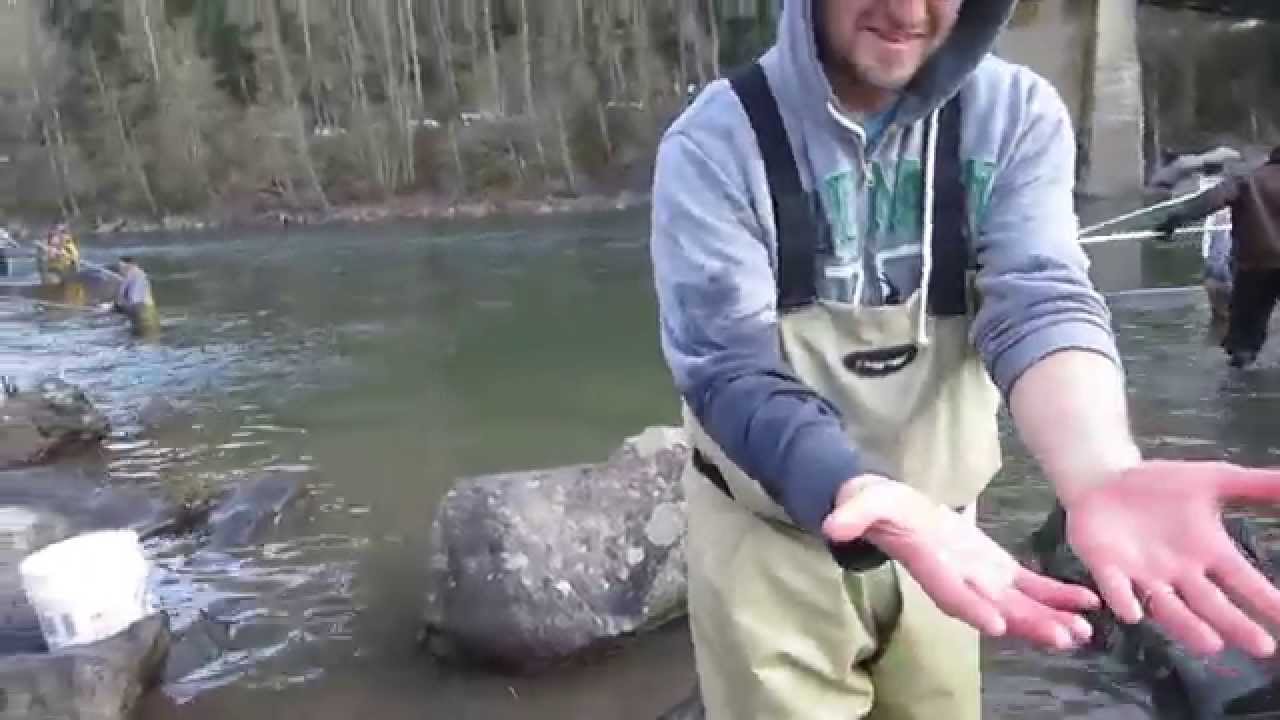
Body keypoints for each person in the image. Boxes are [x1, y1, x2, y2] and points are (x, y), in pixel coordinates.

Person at [648, 2, 1280, 719]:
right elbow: (728, 369)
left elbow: (1038, 304)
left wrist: (1099, 472)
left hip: (952, 542)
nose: (908, 9)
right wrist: (850, 486)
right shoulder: (712, 142)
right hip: (767, 543)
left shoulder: (1015, 116)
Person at [1161, 147, 1280, 369]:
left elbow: (1210, 200)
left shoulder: (1248, 179)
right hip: (1255, 264)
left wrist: (1174, 220)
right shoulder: (1247, 178)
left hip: (1255, 265)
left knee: (1244, 338)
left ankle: (1239, 384)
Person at [111, 256, 159, 337]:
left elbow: (125, 298)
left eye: (122, 267)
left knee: (140, 334)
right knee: (150, 333)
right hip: (148, 308)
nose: (121, 270)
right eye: (120, 268)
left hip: (138, 309)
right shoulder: (141, 274)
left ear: (130, 265)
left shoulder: (131, 276)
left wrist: (115, 307)